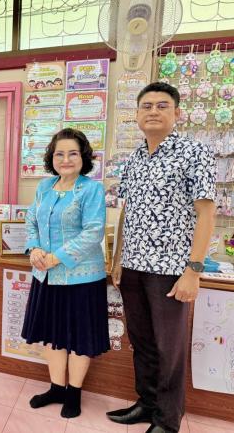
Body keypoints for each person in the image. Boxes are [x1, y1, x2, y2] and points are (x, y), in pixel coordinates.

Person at [107, 82, 216, 433]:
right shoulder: (134, 158)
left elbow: (207, 213)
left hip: (171, 270)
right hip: (133, 266)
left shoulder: (194, 152)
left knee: (170, 347)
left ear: (177, 113)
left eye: (162, 105)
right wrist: (118, 259)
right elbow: (127, 212)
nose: (153, 111)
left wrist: (193, 271)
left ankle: (168, 420)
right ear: (137, 114)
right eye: (147, 106)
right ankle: (147, 403)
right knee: (141, 341)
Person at [22, 128, 109, 419]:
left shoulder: (92, 189)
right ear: (51, 158)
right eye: (59, 153)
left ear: (83, 157)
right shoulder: (44, 187)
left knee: (78, 338)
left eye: (73, 153)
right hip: (45, 277)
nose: (66, 159)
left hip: (81, 279)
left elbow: (93, 232)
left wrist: (55, 258)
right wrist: (34, 248)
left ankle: (74, 394)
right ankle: (57, 388)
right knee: (52, 335)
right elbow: (31, 221)